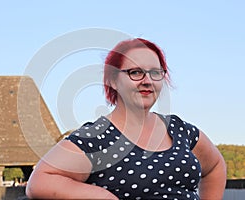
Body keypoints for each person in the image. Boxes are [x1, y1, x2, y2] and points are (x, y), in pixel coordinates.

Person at [25, 38, 227, 199]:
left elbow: (216, 166)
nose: (147, 81)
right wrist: (102, 196)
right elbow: (40, 182)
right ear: (112, 80)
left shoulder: (180, 129)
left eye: (155, 73)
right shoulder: (96, 137)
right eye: (135, 72)